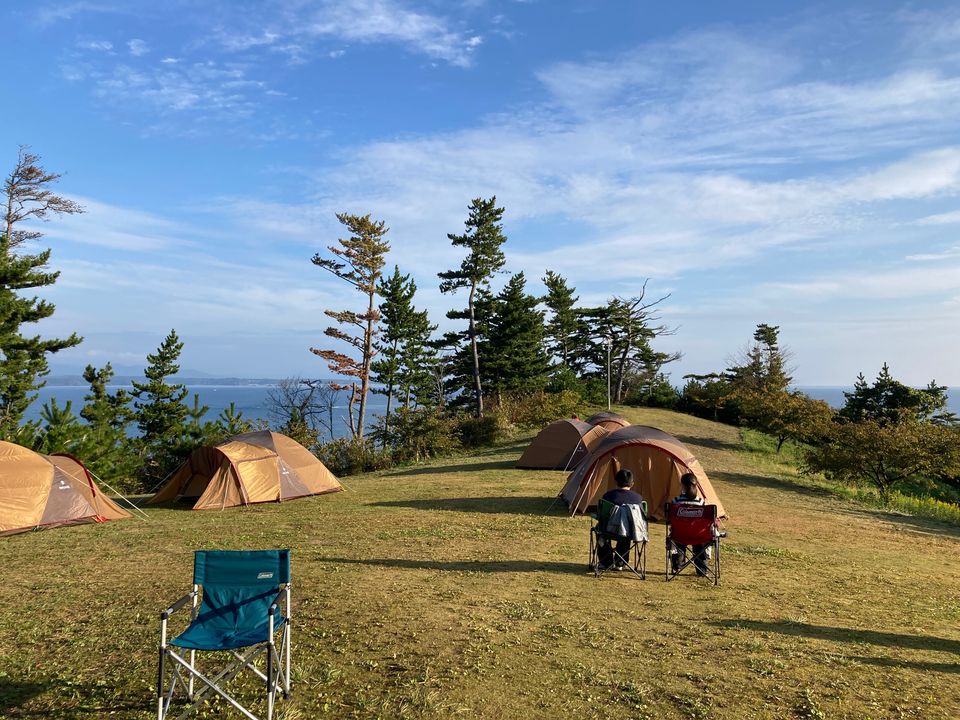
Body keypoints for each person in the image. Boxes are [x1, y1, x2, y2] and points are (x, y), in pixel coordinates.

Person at [596, 468, 645, 570]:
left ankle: (606, 562)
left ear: (616, 482)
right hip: (631, 532)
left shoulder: (608, 496)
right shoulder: (638, 499)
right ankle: (620, 562)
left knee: (600, 529)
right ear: (632, 483)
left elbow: (600, 516)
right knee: (627, 526)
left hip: (608, 531)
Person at [670, 472, 709, 576]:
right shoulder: (701, 503)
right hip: (698, 536)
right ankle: (702, 569)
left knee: (679, 542)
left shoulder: (675, 501)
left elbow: (669, 519)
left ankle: (677, 565)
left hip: (679, 535)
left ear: (682, 486)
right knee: (699, 544)